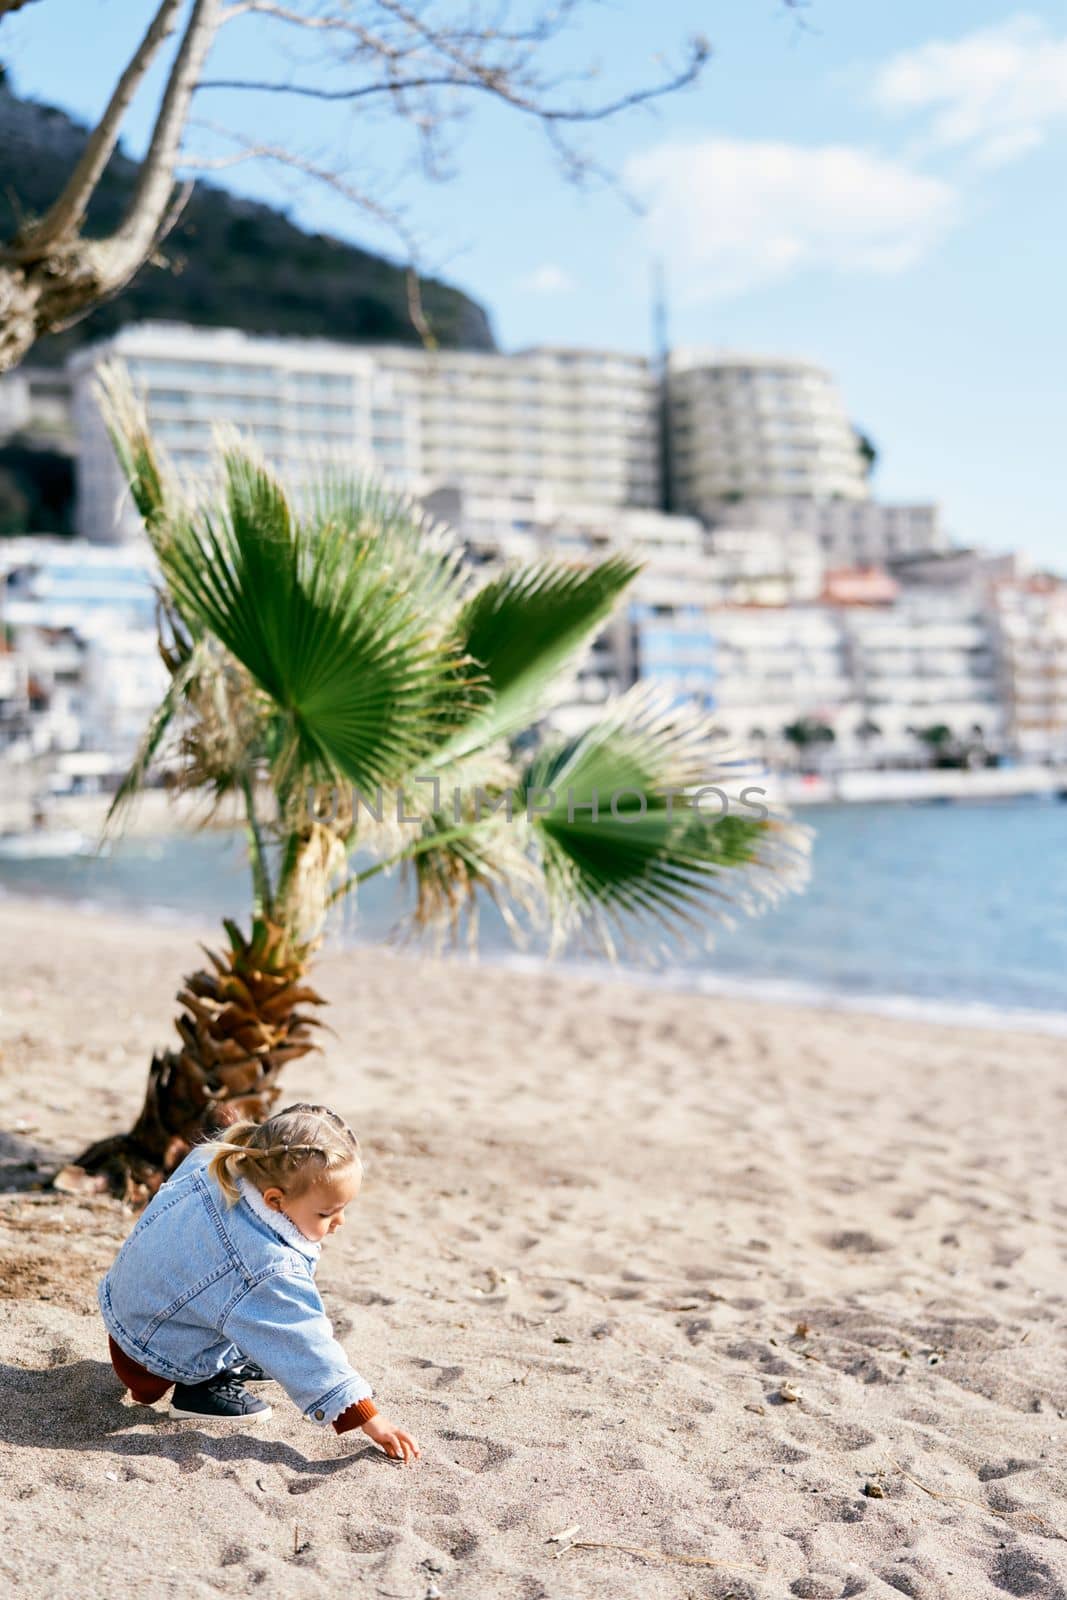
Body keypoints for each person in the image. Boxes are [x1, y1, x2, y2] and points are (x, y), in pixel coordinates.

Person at [98, 1101, 419, 1462]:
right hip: (154, 1360)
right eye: (326, 1213)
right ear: (275, 1199)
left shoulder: (221, 1159)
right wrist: (370, 1420)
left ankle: (230, 1354)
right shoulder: (265, 1265)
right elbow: (304, 1340)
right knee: (266, 1317)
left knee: (242, 1304)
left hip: (126, 1309)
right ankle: (201, 1388)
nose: (340, 1222)